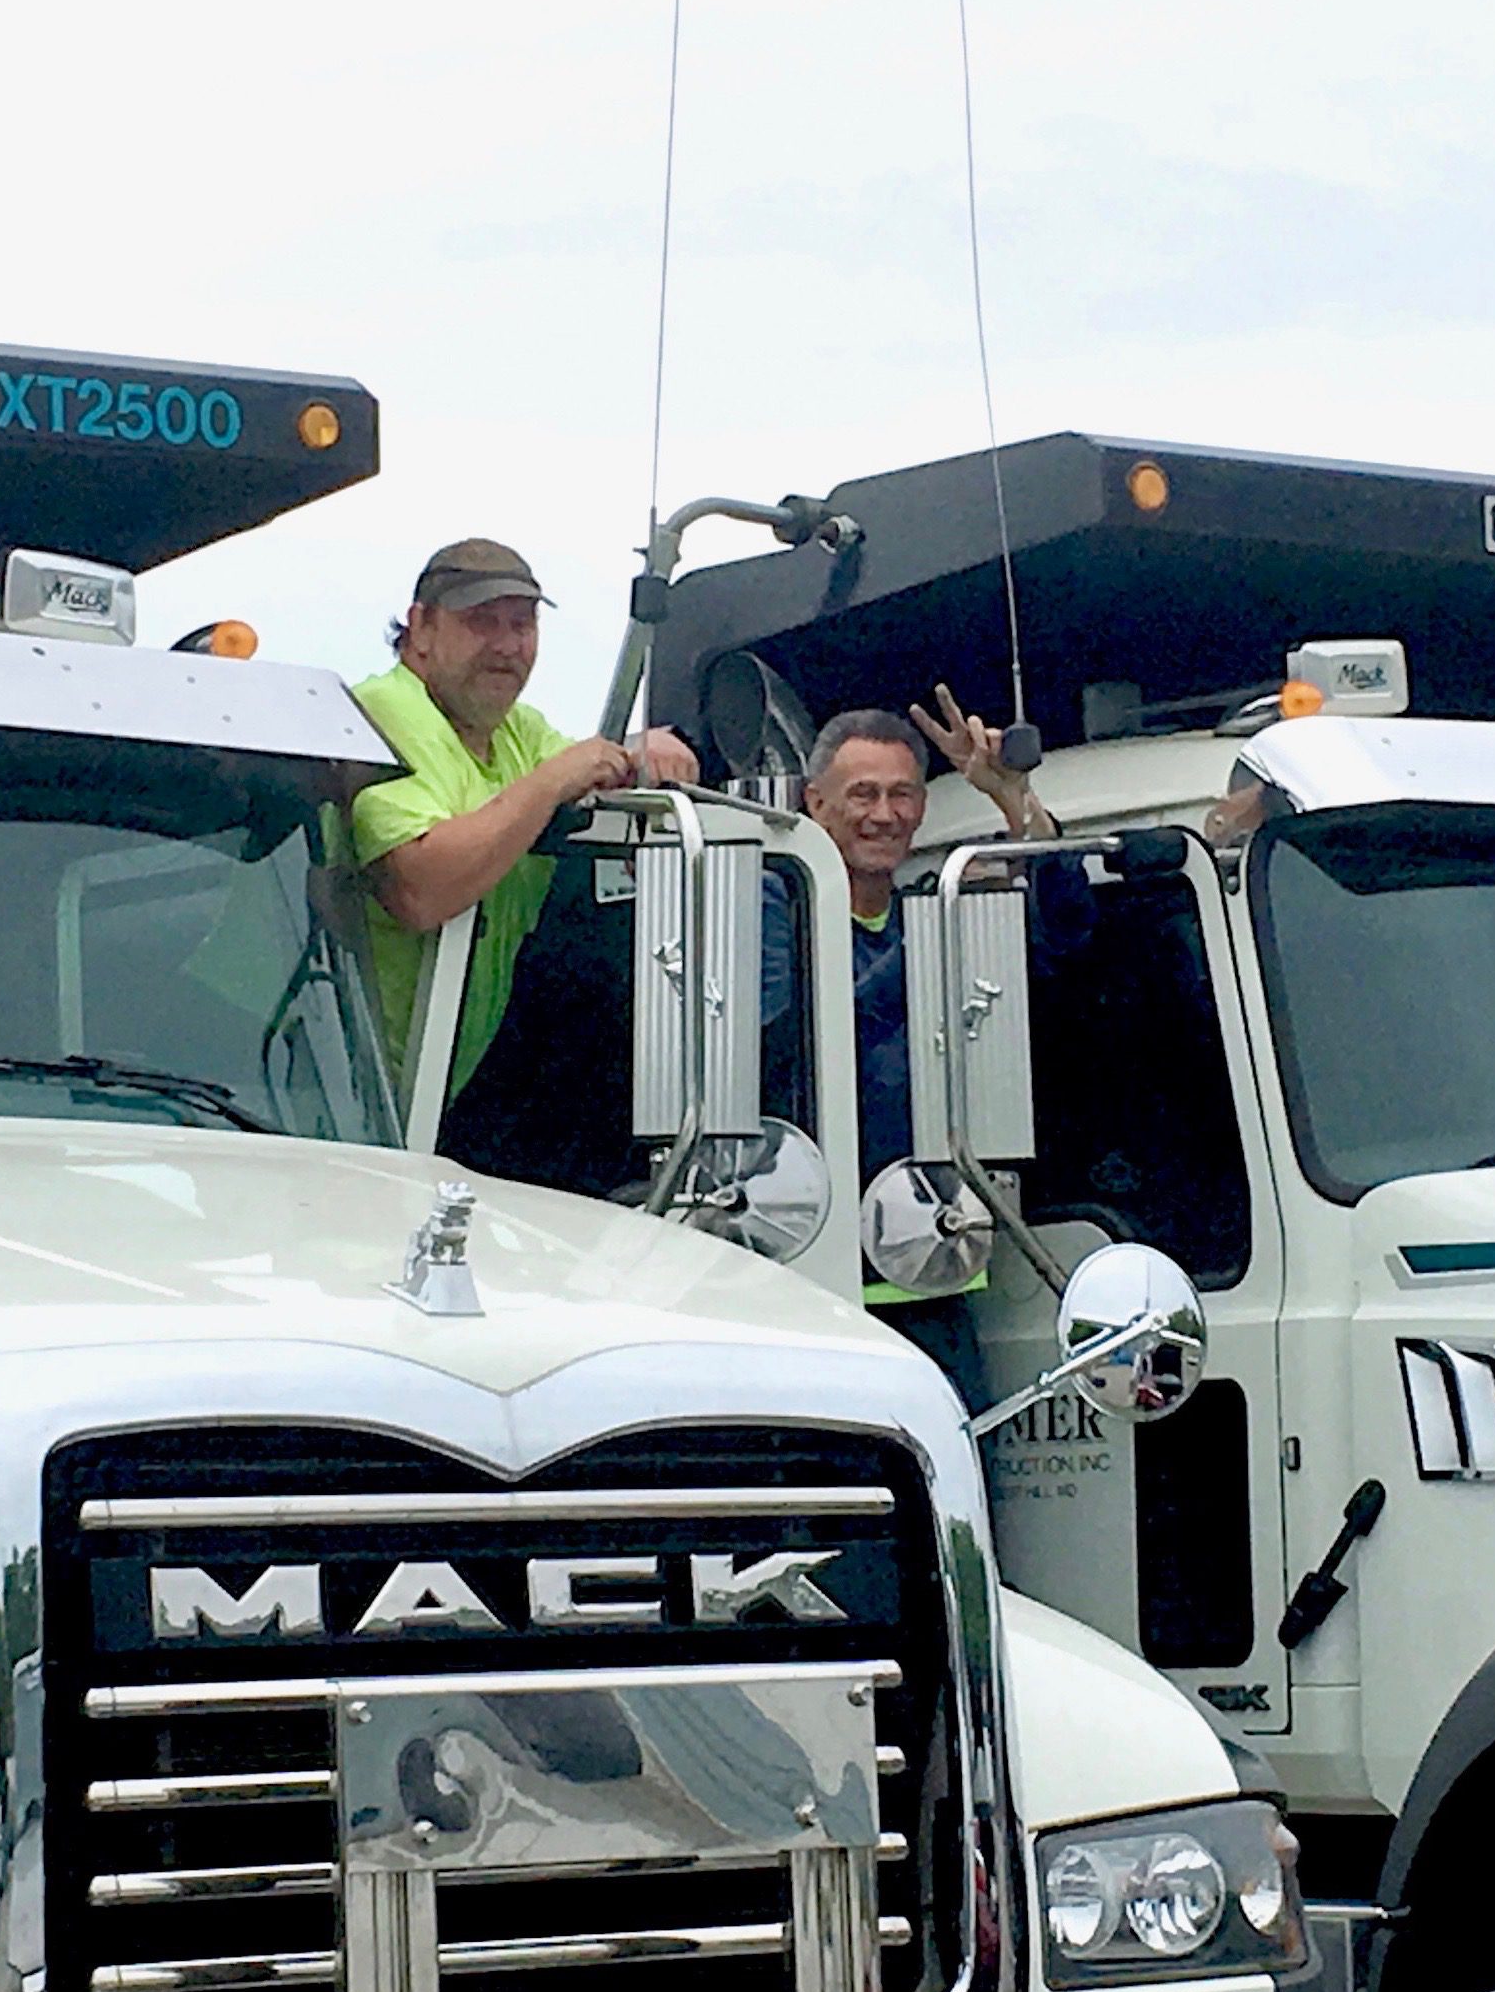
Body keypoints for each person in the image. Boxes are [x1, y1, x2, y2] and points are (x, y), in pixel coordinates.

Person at [770, 687, 1085, 1409]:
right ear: (816, 803)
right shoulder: (777, 903)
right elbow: (802, 1043)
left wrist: (1013, 799)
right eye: (864, 794)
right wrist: (930, 937)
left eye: (903, 795)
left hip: (938, 1278)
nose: (885, 814)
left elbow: (1069, 933)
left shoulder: (932, 906)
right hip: (816, 1286)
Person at [345, 541, 694, 1083]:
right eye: (482, 622)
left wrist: (642, 753)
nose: (507, 646)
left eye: (522, 624)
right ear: (421, 629)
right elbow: (420, 889)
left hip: (407, 1090)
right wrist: (554, 782)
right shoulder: (380, 712)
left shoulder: (519, 731)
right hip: (289, 1074)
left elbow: (593, 768)